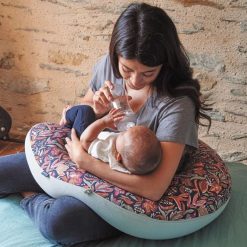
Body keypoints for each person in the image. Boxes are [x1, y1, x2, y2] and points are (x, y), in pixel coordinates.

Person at [0, 2, 211, 246]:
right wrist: (95, 109)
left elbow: (154, 188)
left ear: (165, 64)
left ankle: (32, 198)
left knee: (58, 221)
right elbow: (82, 110)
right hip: (91, 151)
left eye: (148, 73)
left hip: (125, 185)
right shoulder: (108, 66)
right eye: (127, 69)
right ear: (116, 55)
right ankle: (57, 188)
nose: (134, 80)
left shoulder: (177, 104)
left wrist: (84, 162)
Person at [60, 104, 162, 174]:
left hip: (79, 141)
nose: (128, 129)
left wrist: (103, 123)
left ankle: (67, 117)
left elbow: (85, 140)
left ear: (118, 157)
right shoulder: (129, 162)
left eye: (124, 133)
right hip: (96, 136)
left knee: (85, 111)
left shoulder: (106, 151)